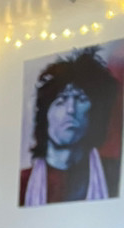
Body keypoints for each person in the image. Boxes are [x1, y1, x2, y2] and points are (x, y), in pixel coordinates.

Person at [20, 46, 120, 206]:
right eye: (61, 100)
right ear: (45, 114)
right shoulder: (23, 184)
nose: (71, 109)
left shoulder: (113, 175)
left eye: (80, 99)